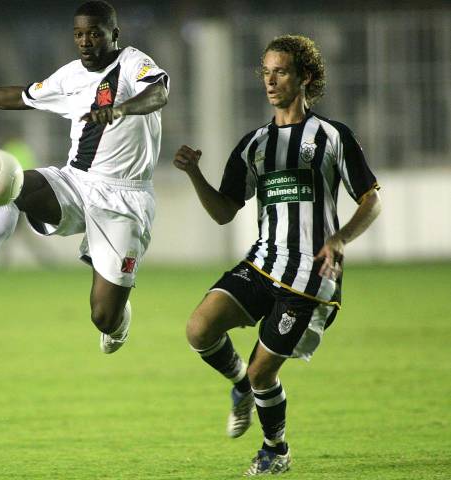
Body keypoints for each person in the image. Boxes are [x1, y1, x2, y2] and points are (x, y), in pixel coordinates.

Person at [173, 35, 381, 475]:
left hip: (309, 277)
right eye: (266, 72)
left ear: (305, 77)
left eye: (280, 71)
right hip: (263, 263)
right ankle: (239, 386)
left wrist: (340, 238)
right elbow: (224, 212)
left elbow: (371, 200)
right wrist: (194, 174)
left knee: (263, 373)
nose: (270, 81)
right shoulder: (253, 144)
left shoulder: (332, 136)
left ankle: (276, 450)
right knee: (198, 329)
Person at [0, 0, 169, 354]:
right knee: (9, 184)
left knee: (103, 317)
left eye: (94, 34)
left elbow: (159, 92)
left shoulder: (132, 63)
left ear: (114, 34)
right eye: (78, 34)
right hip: (76, 182)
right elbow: (21, 96)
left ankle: (118, 321)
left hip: (125, 199)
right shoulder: (71, 75)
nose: (85, 41)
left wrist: (121, 109)